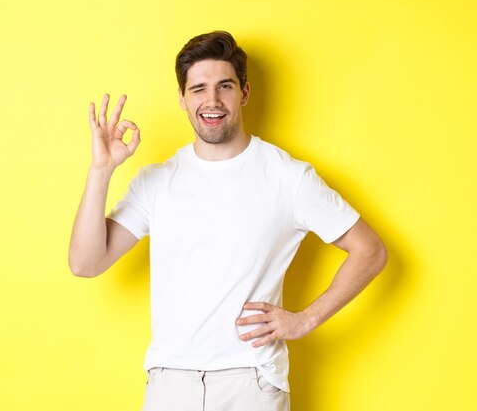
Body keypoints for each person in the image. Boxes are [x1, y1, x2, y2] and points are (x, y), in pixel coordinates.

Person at [68, 31, 388, 411]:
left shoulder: (288, 177)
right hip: (169, 382)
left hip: (250, 382)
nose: (212, 100)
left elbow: (370, 250)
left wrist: (306, 319)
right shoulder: (156, 181)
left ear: (245, 93)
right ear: (183, 100)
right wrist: (101, 170)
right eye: (198, 88)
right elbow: (85, 263)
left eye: (225, 86)